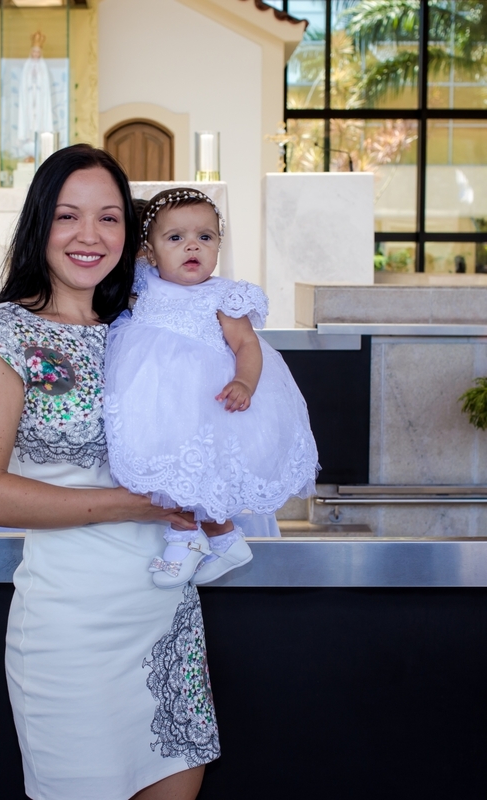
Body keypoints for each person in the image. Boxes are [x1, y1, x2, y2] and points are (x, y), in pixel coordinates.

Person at [0, 144, 217, 800]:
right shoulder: (2, 339)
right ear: (39, 225)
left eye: (109, 218)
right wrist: (139, 502)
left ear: (131, 235)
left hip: (167, 620)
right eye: (69, 217)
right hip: (73, 629)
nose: (90, 236)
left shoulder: (144, 326)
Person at [105, 188, 320, 589]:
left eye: (205, 237)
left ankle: (195, 539)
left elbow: (246, 344)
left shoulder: (222, 296)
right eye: (175, 238)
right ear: (149, 252)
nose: (192, 246)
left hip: (204, 398)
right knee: (162, 466)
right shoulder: (144, 282)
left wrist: (245, 381)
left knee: (199, 469)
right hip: (155, 398)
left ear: (219, 245)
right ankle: (217, 540)